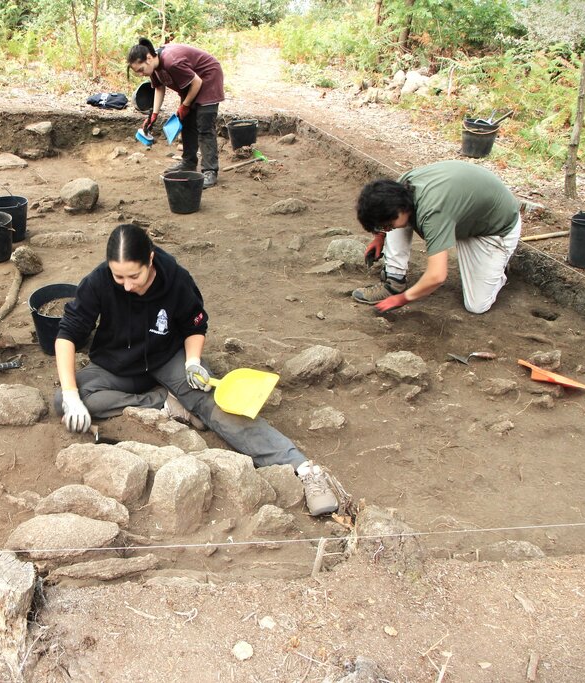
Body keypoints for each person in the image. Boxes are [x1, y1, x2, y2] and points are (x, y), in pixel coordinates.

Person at [53, 224, 339, 516]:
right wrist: (72, 396)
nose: (126, 285)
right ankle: (166, 403)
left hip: (168, 357)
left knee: (213, 403)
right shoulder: (98, 281)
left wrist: (192, 362)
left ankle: (304, 469)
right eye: (119, 276)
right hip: (117, 364)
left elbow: (195, 325)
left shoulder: (175, 279)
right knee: (64, 399)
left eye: (134, 276)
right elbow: (67, 335)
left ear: (150, 260)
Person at [352, 160, 522, 314]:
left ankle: (499, 269)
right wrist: (380, 237)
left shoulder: (433, 213)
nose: (386, 229)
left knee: (477, 306)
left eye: (386, 225)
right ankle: (394, 281)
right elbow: (391, 213)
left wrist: (403, 299)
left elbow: (437, 276)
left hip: (494, 229)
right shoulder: (402, 187)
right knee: (399, 221)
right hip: (462, 214)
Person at [127, 38, 224, 189]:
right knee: (186, 122)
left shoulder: (172, 61)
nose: (141, 74)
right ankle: (188, 162)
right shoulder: (154, 67)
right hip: (193, 83)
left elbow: (197, 82)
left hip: (207, 76)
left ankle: (210, 171)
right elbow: (159, 88)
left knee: (204, 126)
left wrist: (185, 105)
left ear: (149, 58)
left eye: (140, 70)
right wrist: (154, 115)